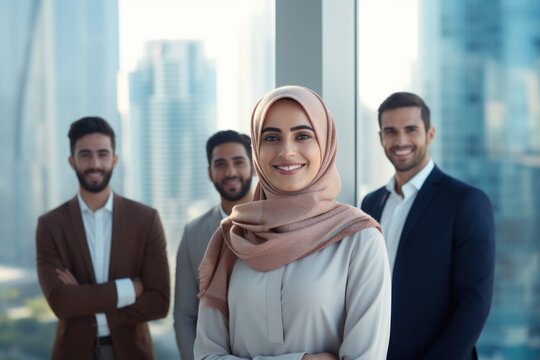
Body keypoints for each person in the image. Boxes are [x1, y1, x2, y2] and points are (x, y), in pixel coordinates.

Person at [194, 85, 391, 360]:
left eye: (302, 136)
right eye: (271, 137)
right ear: (256, 152)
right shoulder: (233, 239)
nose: (286, 151)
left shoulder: (360, 240)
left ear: (325, 143)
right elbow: (206, 355)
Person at [361, 92, 495, 360]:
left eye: (411, 130)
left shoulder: (466, 202)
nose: (400, 141)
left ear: (430, 134)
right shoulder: (370, 203)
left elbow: (474, 305)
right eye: (390, 131)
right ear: (380, 139)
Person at [36, 117, 170, 359]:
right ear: (71, 161)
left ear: (114, 160)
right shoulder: (50, 225)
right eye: (85, 155)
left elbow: (159, 302)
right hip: (73, 352)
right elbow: (61, 302)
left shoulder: (145, 219)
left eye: (103, 154)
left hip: (132, 352)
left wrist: (83, 299)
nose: (95, 163)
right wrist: (129, 289)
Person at [174, 130, 254, 360]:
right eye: (220, 164)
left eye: (238, 162)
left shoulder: (279, 223)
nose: (230, 172)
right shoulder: (193, 233)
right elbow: (184, 315)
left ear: (254, 167)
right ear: (210, 173)